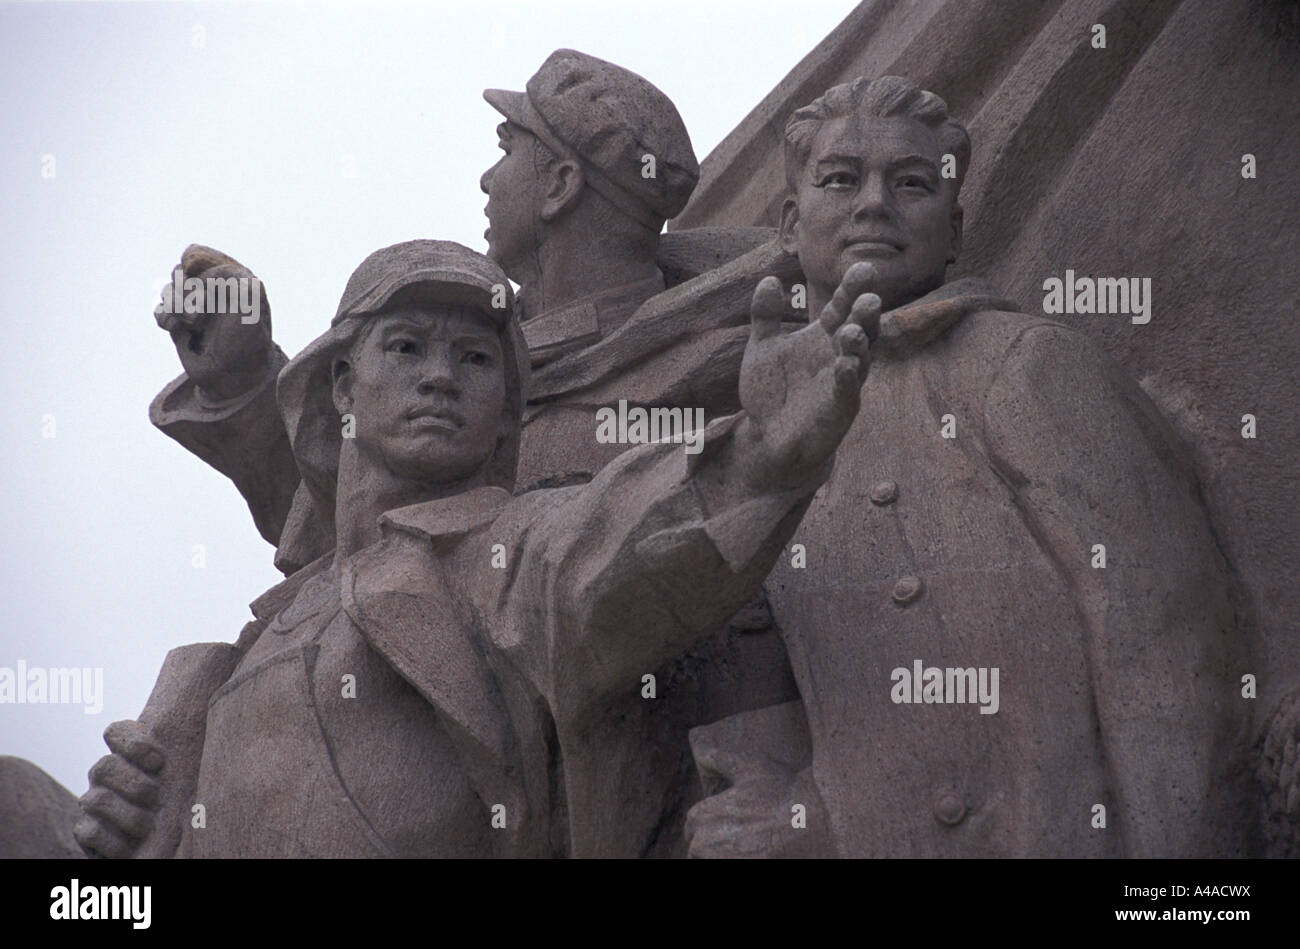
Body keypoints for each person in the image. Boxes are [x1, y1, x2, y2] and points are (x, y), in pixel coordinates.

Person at [76, 238, 876, 858]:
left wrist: (764, 455)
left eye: (475, 358)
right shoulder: (276, 623)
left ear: (504, 413)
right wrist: (127, 832)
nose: (440, 377)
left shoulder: (506, 553)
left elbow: (622, 543)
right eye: (408, 348)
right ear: (345, 385)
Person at [683, 76, 1256, 858]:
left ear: (953, 232)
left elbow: (1167, 655)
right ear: (789, 221)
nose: (875, 203)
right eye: (842, 179)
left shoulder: (1022, 367)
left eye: (912, 183)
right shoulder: (752, 438)